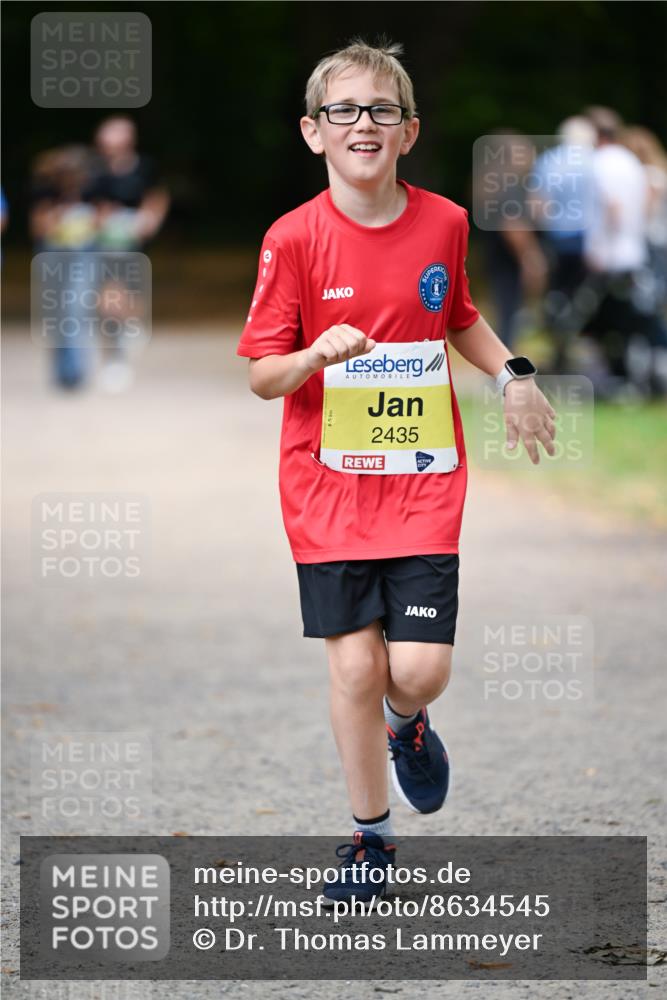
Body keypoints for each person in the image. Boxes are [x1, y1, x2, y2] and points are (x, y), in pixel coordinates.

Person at [236, 40, 555, 904]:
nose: (363, 124)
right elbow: (263, 374)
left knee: (413, 671)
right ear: (313, 132)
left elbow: (459, 317)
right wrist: (312, 354)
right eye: (343, 111)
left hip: (420, 480)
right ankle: (368, 842)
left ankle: (407, 725)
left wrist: (512, 375)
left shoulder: (445, 221)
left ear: (409, 131)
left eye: (381, 110)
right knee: (351, 667)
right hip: (325, 485)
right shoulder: (292, 238)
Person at [88, 116, 170, 392]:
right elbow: (91, 207)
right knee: (109, 302)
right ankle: (114, 358)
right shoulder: (97, 172)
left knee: (129, 301)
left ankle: (127, 335)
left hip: (135, 246)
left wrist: (149, 221)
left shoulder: (144, 167)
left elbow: (157, 197)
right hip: (106, 247)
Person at [532, 117, 596, 371]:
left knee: (556, 297)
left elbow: (539, 205)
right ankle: (575, 349)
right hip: (587, 240)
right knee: (583, 298)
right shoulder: (594, 162)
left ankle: (559, 347)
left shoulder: (549, 161)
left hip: (557, 238)